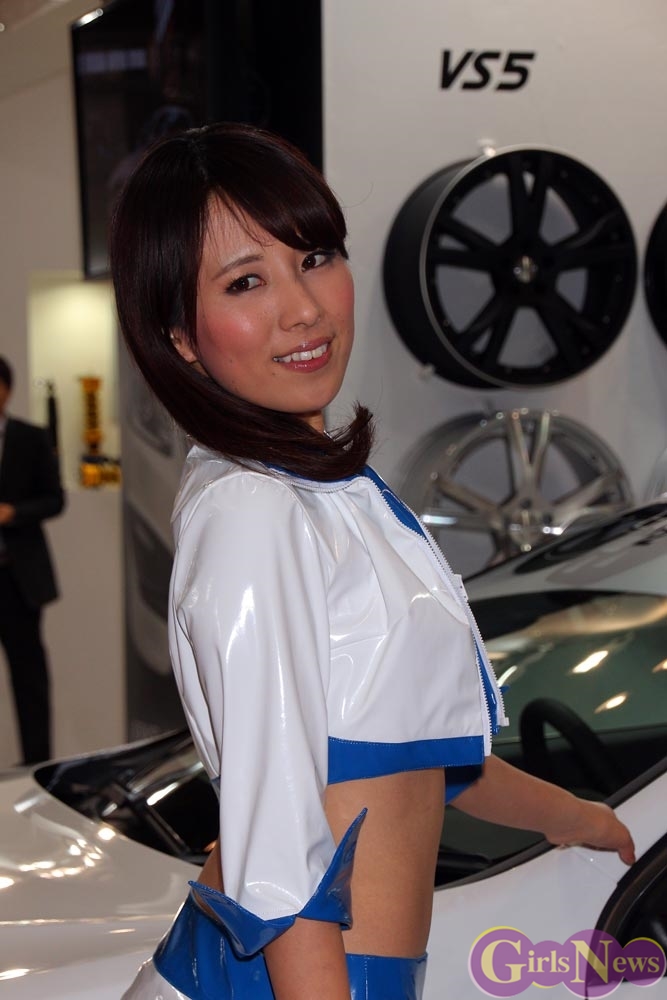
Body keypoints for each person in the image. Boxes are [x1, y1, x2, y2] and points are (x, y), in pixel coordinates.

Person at [110, 123, 635, 1000]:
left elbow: (415, 760)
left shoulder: (324, 491)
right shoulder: (252, 509)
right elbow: (277, 854)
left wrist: (572, 817)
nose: (303, 309)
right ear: (180, 337)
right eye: (246, 282)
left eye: (314, 258)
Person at [0, 357, 65, 764]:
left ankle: (38, 766)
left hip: (17, 577)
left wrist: (14, 513)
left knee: (29, 678)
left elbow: (55, 499)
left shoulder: (30, 437)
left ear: (7, 390)